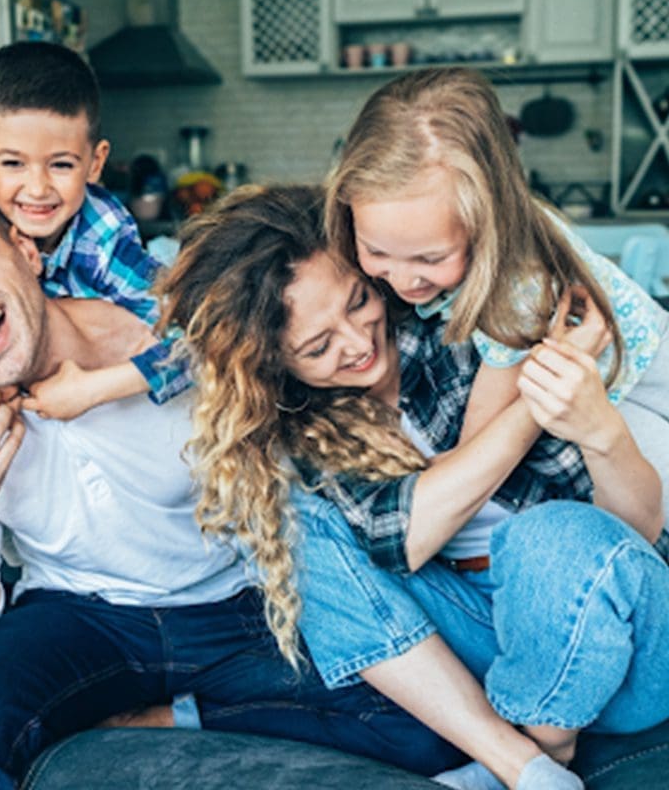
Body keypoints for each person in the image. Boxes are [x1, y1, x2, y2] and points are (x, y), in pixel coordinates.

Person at [0, 160, 468, 789]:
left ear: (25, 249)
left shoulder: (172, 339)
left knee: (425, 723)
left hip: (237, 605)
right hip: (79, 615)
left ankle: (158, 717)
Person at [157, 183, 669, 790]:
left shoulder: (462, 326)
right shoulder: (312, 428)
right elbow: (408, 538)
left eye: (356, 301)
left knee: (547, 538)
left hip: (622, 638)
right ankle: (523, 767)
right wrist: (534, 402)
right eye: (317, 347)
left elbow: (627, 533)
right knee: (290, 520)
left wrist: (535, 378)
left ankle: (538, 753)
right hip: (492, 641)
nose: (357, 343)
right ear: (275, 367)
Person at [325, 66, 669, 525]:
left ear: (488, 223)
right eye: (377, 252)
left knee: (653, 514)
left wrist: (424, 474)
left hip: (647, 383)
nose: (405, 282)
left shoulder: (517, 285)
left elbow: (478, 442)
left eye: (430, 260)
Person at [0, 41, 188, 419]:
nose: (38, 188)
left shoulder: (102, 239)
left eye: (60, 165)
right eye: (13, 163)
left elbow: (196, 343)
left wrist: (92, 389)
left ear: (95, 164)